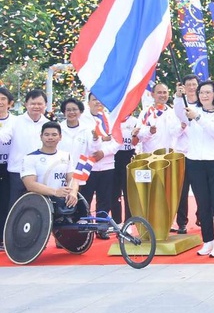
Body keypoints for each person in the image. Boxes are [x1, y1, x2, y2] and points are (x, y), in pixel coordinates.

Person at [176, 80, 214, 258]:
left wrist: (198, 118)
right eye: (201, 92)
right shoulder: (193, 111)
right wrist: (178, 97)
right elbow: (179, 113)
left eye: (208, 92)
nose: (204, 95)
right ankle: (208, 240)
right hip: (195, 163)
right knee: (203, 203)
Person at [1, 89, 49, 208]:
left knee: (37, 206)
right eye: (33, 103)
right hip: (17, 172)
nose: (36, 106)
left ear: (45, 105)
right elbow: (3, 137)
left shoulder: (48, 124)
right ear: (26, 104)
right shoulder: (15, 122)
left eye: (39, 104)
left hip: (40, 172)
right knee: (15, 206)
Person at [83, 93, 120, 237]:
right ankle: (84, 227)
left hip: (107, 164)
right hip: (89, 165)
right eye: (94, 100)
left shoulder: (111, 119)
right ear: (88, 102)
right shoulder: (82, 119)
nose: (97, 103)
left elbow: (117, 141)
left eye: (100, 100)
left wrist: (103, 152)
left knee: (105, 199)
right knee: (86, 198)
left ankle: (101, 228)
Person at [20, 122, 80, 210]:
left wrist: (73, 192)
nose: (50, 138)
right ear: (41, 137)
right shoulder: (30, 158)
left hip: (62, 202)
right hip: (40, 202)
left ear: (60, 137)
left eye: (54, 135)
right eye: (47, 135)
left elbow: (72, 178)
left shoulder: (66, 155)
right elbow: (30, 184)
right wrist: (55, 192)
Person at [174, 75, 201, 234]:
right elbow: (179, 112)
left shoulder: (202, 105)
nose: (192, 87)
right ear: (183, 87)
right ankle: (182, 222)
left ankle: (201, 216)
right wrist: (178, 96)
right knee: (182, 192)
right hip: (184, 155)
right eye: (188, 85)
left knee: (201, 190)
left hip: (199, 154)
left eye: (194, 84)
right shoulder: (180, 106)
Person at [112, 112, 140, 224]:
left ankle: (129, 219)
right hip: (114, 156)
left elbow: (136, 141)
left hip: (129, 155)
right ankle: (116, 220)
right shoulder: (111, 119)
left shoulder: (134, 121)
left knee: (128, 190)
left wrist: (134, 135)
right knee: (114, 191)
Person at [0, 87, 16, 241]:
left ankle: (3, 237)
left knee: (6, 201)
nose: (0, 102)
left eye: (3, 99)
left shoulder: (16, 121)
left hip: (9, 166)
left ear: (10, 103)